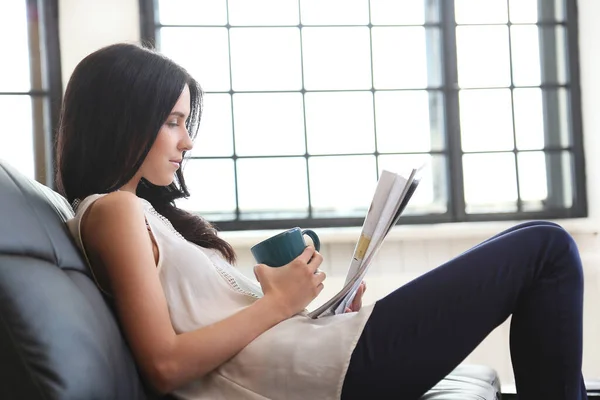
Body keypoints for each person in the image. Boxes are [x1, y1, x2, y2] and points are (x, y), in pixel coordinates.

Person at [56, 43, 588, 400]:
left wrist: (305, 310)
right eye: (172, 122)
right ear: (123, 118)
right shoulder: (115, 210)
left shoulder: (141, 213)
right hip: (324, 375)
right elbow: (164, 365)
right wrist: (279, 304)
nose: (187, 141)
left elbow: (213, 332)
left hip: (323, 356)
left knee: (534, 241)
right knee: (545, 248)